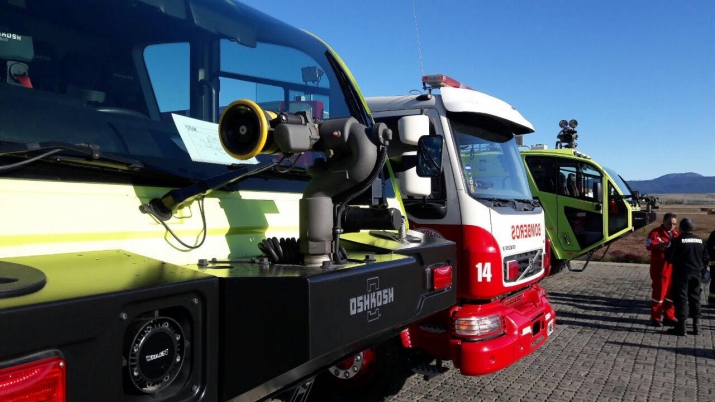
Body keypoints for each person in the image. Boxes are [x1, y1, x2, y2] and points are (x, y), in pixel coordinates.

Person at [665, 218, 709, 336]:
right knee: (695, 298)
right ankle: (696, 326)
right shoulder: (700, 241)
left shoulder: (676, 240)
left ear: (681, 228)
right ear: (693, 228)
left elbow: (668, 257)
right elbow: (705, 258)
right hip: (696, 274)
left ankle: (681, 326)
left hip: (682, 274)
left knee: (682, 299)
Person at [645, 213, 679, 327]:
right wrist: (660, 245)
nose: (672, 226)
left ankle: (669, 317)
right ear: (664, 222)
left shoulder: (676, 234)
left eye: (674, 224)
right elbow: (649, 245)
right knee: (659, 294)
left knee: (671, 295)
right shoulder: (655, 233)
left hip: (673, 270)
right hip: (660, 269)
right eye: (669, 223)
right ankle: (655, 317)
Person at [707, 228, 715, 305]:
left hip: (713, 264)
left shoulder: (713, 234)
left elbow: (708, 249)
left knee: (714, 282)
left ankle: (712, 301)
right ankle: (712, 300)